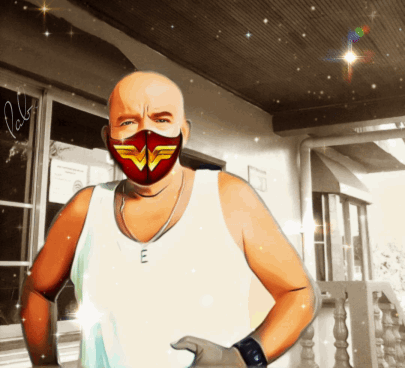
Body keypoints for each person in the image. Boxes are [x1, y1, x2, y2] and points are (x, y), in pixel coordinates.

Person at [19, 71, 322, 368]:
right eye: (128, 122)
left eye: (161, 120)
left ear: (184, 132)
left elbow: (299, 294)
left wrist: (243, 357)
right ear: (108, 137)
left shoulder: (229, 197)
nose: (145, 135)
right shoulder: (86, 208)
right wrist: (45, 365)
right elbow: (38, 290)